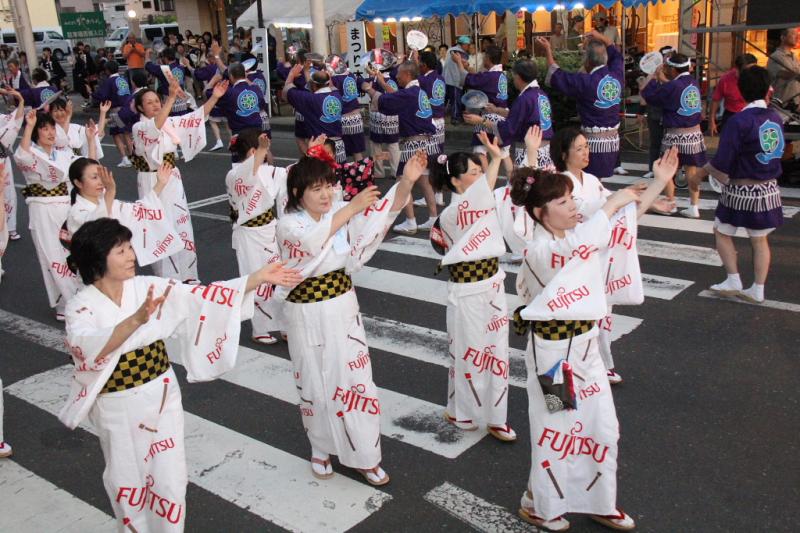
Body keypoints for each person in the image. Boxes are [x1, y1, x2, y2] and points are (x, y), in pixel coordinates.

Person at [61, 217, 300, 532]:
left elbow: (197, 297)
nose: (132, 255)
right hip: (117, 403)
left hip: (161, 393)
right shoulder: (80, 307)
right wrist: (134, 321)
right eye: (120, 251)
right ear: (96, 259)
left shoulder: (147, 286)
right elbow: (85, 347)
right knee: (127, 482)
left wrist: (252, 280)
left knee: (170, 480)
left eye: (130, 247)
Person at [511, 146, 679, 532]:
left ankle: (600, 500)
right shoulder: (541, 249)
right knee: (557, 431)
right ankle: (539, 503)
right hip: (552, 355)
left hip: (587, 348)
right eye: (562, 202)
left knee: (602, 427)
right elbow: (584, 240)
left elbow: (624, 221)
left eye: (572, 199)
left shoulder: (581, 232)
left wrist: (659, 182)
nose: (573, 207)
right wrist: (612, 202)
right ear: (540, 213)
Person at [276, 149, 428, 486]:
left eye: (329, 186)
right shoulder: (289, 225)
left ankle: (365, 455)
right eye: (316, 189)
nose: (326, 194)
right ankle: (320, 447)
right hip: (305, 312)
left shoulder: (341, 216)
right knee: (314, 381)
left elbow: (379, 216)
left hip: (342, 307)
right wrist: (350, 208)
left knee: (356, 382)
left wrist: (405, 183)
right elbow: (313, 243)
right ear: (299, 194)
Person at [429, 133, 516, 441]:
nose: (480, 178)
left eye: (480, 172)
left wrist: (495, 160)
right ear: (455, 182)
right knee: (468, 355)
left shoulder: (481, 200)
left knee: (497, 353)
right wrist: (495, 160)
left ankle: (496, 416)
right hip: (466, 290)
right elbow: (485, 193)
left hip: (493, 283)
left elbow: (491, 192)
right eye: (473, 173)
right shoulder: (451, 214)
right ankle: (462, 411)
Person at [694, 66, 785, 304]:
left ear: (741, 91)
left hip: (740, 188)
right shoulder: (776, 118)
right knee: (759, 239)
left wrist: (701, 174)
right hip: (768, 188)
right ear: (767, 90)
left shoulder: (739, 121)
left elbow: (723, 159)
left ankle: (733, 279)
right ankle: (758, 289)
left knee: (722, 230)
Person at [131, 75, 229, 282]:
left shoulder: (168, 123)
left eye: (157, 100)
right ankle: (167, 279)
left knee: (181, 225)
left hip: (172, 177)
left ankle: (188, 275)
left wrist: (215, 98)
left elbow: (194, 118)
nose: (155, 105)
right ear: (140, 108)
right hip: (152, 180)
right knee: (160, 226)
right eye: (149, 102)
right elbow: (154, 127)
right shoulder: (139, 128)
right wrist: (171, 98)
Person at [13, 109, 97, 319]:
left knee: (72, 254)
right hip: (42, 208)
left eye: (52, 127)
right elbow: (21, 156)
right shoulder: (31, 152)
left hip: (66, 208)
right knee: (52, 256)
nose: (50, 132)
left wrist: (91, 140)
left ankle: (79, 299)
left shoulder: (64, 154)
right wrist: (30, 125)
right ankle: (66, 304)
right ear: (35, 133)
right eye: (44, 129)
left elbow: (87, 168)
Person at [65, 158, 182, 271]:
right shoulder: (77, 213)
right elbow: (96, 226)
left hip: (118, 269)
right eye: (94, 177)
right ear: (78, 183)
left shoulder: (109, 203)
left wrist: (160, 183)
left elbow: (139, 209)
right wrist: (110, 192)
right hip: (96, 273)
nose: (101, 182)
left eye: (102, 176)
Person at [225, 129, 285, 344]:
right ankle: (259, 327)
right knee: (257, 278)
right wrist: (261, 151)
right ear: (253, 151)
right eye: (263, 150)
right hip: (249, 234)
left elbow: (290, 174)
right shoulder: (235, 175)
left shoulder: (267, 171)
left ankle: (283, 324)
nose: (269, 154)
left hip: (269, 228)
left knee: (278, 278)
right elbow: (246, 175)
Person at [363, 61, 438, 235]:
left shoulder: (410, 93)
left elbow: (385, 100)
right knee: (425, 181)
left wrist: (368, 88)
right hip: (426, 142)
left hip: (413, 143)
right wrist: (381, 81)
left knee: (402, 183)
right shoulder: (417, 91)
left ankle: (411, 221)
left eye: (399, 74)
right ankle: (433, 218)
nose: (396, 76)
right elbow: (396, 96)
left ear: (407, 75)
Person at [539, 30, 623, 179]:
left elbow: (556, 74)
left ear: (587, 61)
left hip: (592, 143)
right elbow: (616, 54)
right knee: (597, 182)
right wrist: (601, 37)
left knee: (588, 180)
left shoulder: (585, 82)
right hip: (612, 142)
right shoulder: (616, 74)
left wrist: (548, 50)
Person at [641, 53, 708, 218]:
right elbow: (674, 89)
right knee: (691, 171)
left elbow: (648, 96)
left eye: (667, 68)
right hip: (693, 134)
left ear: (673, 69)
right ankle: (694, 206)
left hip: (675, 135)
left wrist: (653, 76)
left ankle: (670, 203)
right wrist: (663, 80)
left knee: (667, 170)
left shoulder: (672, 87)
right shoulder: (693, 82)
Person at [465, 59, 555, 170]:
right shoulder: (540, 94)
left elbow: (508, 129)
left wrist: (481, 121)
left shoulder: (524, 99)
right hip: (545, 151)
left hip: (529, 152)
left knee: (527, 184)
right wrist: (497, 110)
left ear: (519, 77)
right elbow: (524, 116)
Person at [454, 45, 514, 177]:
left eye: (484, 57)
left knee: (480, 151)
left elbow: (467, 79)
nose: (483, 60)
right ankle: (513, 186)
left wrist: (459, 63)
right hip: (502, 115)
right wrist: (466, 67)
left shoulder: (489, 76)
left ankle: (488, 184)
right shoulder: (501, 75)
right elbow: (479, 77)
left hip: (488, 117)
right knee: (504, 153)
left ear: (488, 58)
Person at [284, 67, 345, 162]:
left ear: (313, 85)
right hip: (338, 146)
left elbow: (287, 91)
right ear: (328, 83)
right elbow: (331, 86)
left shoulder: (309, 99)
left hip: (320, 146)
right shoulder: (337, 95)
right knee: (338, 174)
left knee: (320, 175)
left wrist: (291, 74)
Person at [361, 53, 401, 179]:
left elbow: (362, 85)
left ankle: (379, 171)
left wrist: (369, 72)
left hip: (377, 115)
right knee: (393, 144)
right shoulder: (395, 79)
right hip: (392, 116)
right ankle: (396, 171)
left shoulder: (372, 80)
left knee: (375, 144)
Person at [640, 46, 674, 180]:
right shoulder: (653, 73)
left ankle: (669, 168)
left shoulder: (672, 73)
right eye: (666, 56)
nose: (667, 59)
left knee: (669, 143)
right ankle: (652, 168)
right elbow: (643, 89)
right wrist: (653, 74)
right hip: (654, 112)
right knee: (655, 142)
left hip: (668, 113)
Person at [92, 61, 134, 167]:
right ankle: (133, 156)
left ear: (107, 70)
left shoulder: (109, 81)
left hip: (116, 111)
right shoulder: (123, 79)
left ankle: (125, 159)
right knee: (127, 134)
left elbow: (103, 95)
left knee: (116, 134)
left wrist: (92, 94)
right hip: (127, 108)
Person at [329, 55, 366, 161]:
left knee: (340, 151)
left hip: (343, 117)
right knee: (357, 151)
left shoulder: (333, 78)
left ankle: (343, 174)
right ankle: (361, 174)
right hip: (356, 116)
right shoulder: (350, 74)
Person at [710, 54, 758, 136]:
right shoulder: (725, 79)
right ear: (737, 69)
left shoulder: (757, 78)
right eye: (746, 70)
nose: (749, 73)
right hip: (731, 115)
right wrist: (711, 121)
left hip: (752, 114)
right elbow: (716, 100)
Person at [0, 87, 24, 242]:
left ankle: (11, 228)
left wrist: (20, 100)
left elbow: (15, 119)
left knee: (8, 195)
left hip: (2, 160)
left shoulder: (1, 118)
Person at [145, 47, 193, 116]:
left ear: (165, 58)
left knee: (172, 121)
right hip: (182, 101)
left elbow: (148, 66)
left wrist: (147, 54)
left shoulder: (163, 69)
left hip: (169, 101)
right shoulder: (181, 67)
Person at [767, 27, 800, 109]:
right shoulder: (776, 56)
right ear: (783, 37)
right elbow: (783, 74)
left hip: (795, 102)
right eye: (793, 34)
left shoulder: (794, 57)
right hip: (782, 103)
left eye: (797, 34)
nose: (797, 37)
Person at [443, 36, 471, 124]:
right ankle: (455, 118)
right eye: (467, 45)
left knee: (449, 100)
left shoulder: (451, 50)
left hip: (448, 79)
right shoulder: (457, 51)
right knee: (455, 100)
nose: (468, 47)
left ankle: (457, 116)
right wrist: (465, 62)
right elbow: (461, 61)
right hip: (454, 80)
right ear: (463, 44)